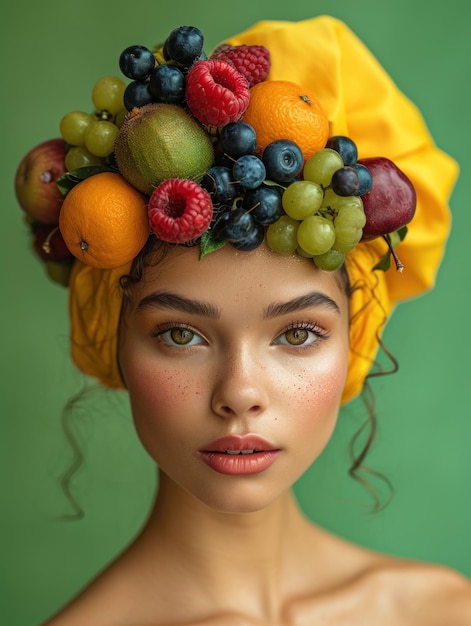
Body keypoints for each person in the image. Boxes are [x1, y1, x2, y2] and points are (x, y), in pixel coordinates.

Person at [15, 15, 471, 625]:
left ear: (356, 337)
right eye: (182, 335)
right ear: (110, 337)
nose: (240, 395)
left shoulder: (443, 611)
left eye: (298, 333)